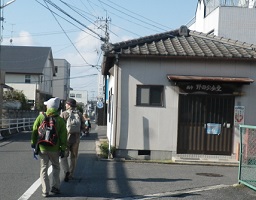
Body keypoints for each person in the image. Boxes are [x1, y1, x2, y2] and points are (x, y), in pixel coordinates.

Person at [31, 97, 67, 197]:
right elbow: (64, 136)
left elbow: (34, 130)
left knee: (43, 168)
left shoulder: (41, 117)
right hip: (54, 148)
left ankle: (45, 191)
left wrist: (33, 144)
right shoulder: (60, 120)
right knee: (56, 167)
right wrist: (62, 148)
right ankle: (55, 187)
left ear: (49, 106)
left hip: (42, 147)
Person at [60, 98, 85, 182]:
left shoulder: (64, 114)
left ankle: (66, 171)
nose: (65, 105)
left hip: (66, 138)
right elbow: (83, 126)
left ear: (69, 105)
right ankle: (71, 174)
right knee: (73, 157)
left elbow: (59, 126)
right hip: (76, 139)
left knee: (64, 156)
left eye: (66, 104)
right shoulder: (79, 114)